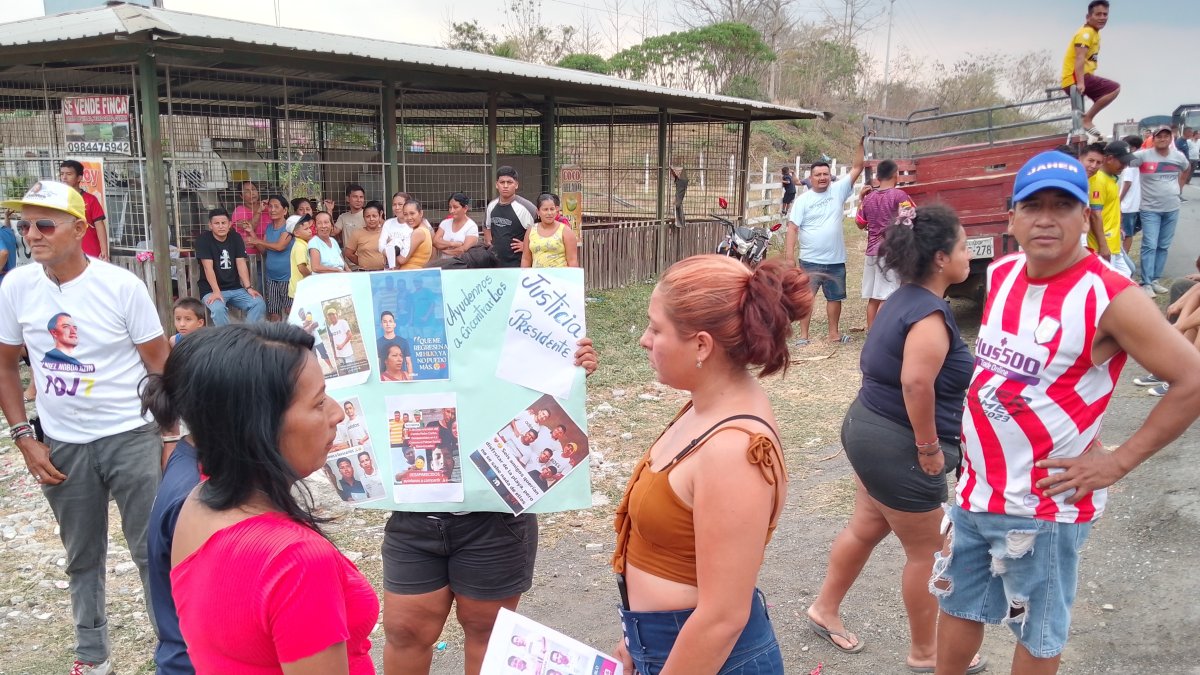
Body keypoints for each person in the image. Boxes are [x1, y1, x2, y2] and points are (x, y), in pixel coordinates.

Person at [932, 152, 1200, 675]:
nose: (1047, 218)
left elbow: (1191, 379)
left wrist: (1119, 462)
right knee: (958, 604)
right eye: (1033, 206)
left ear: (1086, 217)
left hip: (1044, 507)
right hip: (974, 488)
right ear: (1011, 217)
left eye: (1063, 205)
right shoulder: (1004, 273)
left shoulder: (1110, 296)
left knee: (1037, 630)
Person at [0, 179, 172, 675]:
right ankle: (92, 657)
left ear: (79, 230)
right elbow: (6, 364)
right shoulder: (17, 286)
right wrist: (24, 437)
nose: (31, 234)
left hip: (130, 437)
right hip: (62, 445)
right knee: (81, 557)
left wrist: (169, 438)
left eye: (44, 224)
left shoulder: (120, 286)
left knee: (149, 552)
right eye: (24, 224)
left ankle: (174, 653)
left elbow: (160, 364)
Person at [610, 255, 812, 675]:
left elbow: (722, 618)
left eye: (656, 328)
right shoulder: (704, 409)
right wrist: (635, 640)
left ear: (701, 345)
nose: (644, 340)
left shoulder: (733, 452)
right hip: (669, 648)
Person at [142, 323, 379, 673]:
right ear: (259, 425)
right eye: (317, 403)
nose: (337, 413)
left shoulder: (198, 499)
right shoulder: (297, 560)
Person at [808, 205, 984, 673]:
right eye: (964, 246)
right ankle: (926, 653)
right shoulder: (927, 315)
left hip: (866, 429)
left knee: (867, 526)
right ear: (943, 258)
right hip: (898, 446)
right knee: (928, 551)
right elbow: (915, 384)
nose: (969, 255)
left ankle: (823, 608)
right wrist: (928, 448)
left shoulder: (900, 299)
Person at [380, 339, 598, 675]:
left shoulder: (508, 314)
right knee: (405, 632)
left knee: (489, 635)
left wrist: (569, 367)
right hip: (416, 513)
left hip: (497, 519)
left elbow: (542, 393)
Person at [785, 133, 867, 345]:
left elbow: (857, 167)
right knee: (806, 298)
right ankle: (803, 336)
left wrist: (861, 144)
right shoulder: (803, 200)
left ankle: (834, 334)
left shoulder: (838, 191)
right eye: (818, 174)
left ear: (830, 176)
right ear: (810, 178)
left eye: (825, 174)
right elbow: (792, 228)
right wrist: (789, 258)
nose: (822, 177)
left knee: (835, 298)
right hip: (810, 260)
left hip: (835, 260)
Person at [857, 159, 915, 331]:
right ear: (895, 174)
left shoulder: (868, 198)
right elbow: (908, 221)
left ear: (877, 176)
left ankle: (871, 332)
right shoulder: (900, 196)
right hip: (890, 251)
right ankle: (883, 333)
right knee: (888, 295)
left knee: (874, 296)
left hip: (871, 252)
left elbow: (860, 223)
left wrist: (862, 200)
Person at [1134, 126, 1192, 296]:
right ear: (1153, 138)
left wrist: (1180, 187)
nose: (1163, 139)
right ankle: (1146, 282)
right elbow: (1122, 162)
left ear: (1171, 138)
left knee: (1163, 246)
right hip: (1150, 208)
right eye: (1159, 136)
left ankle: (1155, 280)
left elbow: (1186, 168)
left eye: (1166, 136)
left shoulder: (1178, 156)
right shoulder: (1143, 155)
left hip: (1172, 207)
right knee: (1149, 245)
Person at [196, 208, 267, 325]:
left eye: (223, 223)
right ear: (210, 225)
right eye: (216, 223)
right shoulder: (203, 240)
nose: (221, 226)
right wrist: (216, 291)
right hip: (211, 290)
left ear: (229, 224)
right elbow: (207, 268)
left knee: (258, 303)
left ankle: (247, 336)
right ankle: (227, 341)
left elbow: (241, 263)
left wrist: (248, 288)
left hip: (235, 288)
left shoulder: (236, 238)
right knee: (218, 309)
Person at [1061, 0, 1119, 140]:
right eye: (1098, 14)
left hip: (1080, 77)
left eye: (1105, 14)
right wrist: (1080, 82)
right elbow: (1079, 58)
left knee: (1107, 92)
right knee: (1114, 88)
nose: (1102, 18)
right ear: (1088, 17)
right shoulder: (1086, 33)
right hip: (1075, 78)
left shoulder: (1094, 33)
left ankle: (1086, 120)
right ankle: (1087, 119)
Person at [244, 194, 294, 321]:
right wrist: (252, 232)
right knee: (274, 313)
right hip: (271, 277)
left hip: (287, 277)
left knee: (290, 310)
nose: (272, 209)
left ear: (285, 210)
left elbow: (279, 246)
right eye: (270, 206)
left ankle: (295, 339)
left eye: (276, 206)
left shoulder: (289, 228)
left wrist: (257, 240)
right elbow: (264, 251)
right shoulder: (269, 227)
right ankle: (276, 339)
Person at [483, 166, 538, 268]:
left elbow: (542, 230)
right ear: (496, 184)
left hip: (518, 264)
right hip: (495, 264)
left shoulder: (527, 208)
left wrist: (527, 246)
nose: (505, 186)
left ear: (516, 185)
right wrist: (488, 240)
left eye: (509, 182)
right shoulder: (491, 206)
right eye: (502, 182)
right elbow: (486, 226)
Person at [1099, 141, 1139, 277]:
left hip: (1113, 241)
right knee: (1115, 281)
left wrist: (1119, 226)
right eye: (1122, 162)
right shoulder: (1099, 181)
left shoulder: (1111, 178)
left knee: (1128, 273)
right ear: (1109, 159)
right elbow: (1094, 214)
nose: (1125, 166)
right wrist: (1103, 245)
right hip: (1106, 243)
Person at [58, 160, 109, 260]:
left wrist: (104, 251)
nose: (64, 177)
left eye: (69, 174)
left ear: (79, 178)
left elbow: (99, 225)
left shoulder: (91, 200)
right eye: (62, 174)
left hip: (90, 253)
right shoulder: (57, 199)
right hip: (64, 253)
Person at [521, 193, 580, 268]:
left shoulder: (565, 231)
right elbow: (526, 259)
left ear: (557, 210)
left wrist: (573, 278)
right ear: (538, 212)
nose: (549, 213)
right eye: (545, 209)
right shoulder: (531, 231)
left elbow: (572, 260)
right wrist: (524, 276)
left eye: (552, 209)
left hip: (559, 278)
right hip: (537, 278)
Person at [1079, 143, 1115, 263]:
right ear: (1080, 159)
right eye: (1090, 161)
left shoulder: (1087, 182)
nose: (1094, 166)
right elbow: (1095, 215)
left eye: (1098, 162)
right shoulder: (1073, 182)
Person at [1117, 134, 1143, 276]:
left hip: (1127, 205)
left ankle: (1123, 257)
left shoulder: (1128, 164)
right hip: (1134, 204)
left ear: (1132, 148)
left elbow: (1127, 183)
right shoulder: (1135, 162)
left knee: (1127, 233)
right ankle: (1125, 257)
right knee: (1129, 233)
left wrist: (1119, 200)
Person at [434, 192, 480, 259]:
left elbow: (464, 249)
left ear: (465, 208)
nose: (451, 211)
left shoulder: (471, 227)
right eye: (450, 207)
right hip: (444, 264)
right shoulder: (445, 223)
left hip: (462, 265)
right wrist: (453, 244)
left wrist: (445, 251)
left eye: (455, 207)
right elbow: (435, 242)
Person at [345, 200, 388, 271]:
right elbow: (348, 253)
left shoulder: (385, 232)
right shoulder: (357, 234)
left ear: (380, 216)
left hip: (383, 272)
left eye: (374, 216)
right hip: (364, 273)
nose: (371, 219)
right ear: (364, 218)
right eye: (368, 216)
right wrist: (362, 262)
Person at [231, 180, 269, 256]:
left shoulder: (267, 207)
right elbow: (250, 227)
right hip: (249, 254)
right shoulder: (239, 211)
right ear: (241, 196)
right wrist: (259, 211)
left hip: (269, 250)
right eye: (247, 191)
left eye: (253, 189)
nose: (252, 193)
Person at [377, 310, 414, 380]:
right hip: (384, 382)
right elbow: (377, 364)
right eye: (385, 322)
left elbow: (408, 362)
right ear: (381, 325)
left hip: (401, 380)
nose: (388, 324)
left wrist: (411, 379)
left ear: (394, 324)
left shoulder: (403, 342)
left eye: (390, 321)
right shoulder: (377, 343)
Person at [398, 199, 434, 270]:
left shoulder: (418, 232)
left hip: (410, 274)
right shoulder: (425, 229)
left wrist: (391, 251)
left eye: (412, 213)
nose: (409, 218)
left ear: (421, 213)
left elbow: (402, 260)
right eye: (405, 214)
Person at [380, 191, 412, 269]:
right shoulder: (388, 223)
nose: (397, 208)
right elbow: (381, 245)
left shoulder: (412, 225)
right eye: (394, 204)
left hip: (408, 268)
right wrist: (391, 256)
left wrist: (390, 245)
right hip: (390, 268)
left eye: (400, 204)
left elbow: (408, 250)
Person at [287, 214, 315, 301]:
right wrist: (312, 278)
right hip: (301, 289)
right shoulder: (300, 246)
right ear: (296, 233)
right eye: (306, 229)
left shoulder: (303, 244)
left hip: (302, 289)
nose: (310, 231)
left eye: (309, 228)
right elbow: (302, 267)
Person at [670, 158, 689, 227]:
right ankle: (678, 220)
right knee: (677, 203)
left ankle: (679, 221)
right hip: (681, 181)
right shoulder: (681, 178)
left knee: (677, 203)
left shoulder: (682, 180)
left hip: (681, 183)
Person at [0, 214, 17, 285]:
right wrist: (7, 217)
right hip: (10, 278)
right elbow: (7, 227)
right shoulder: (8, 231)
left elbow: (4, 253)